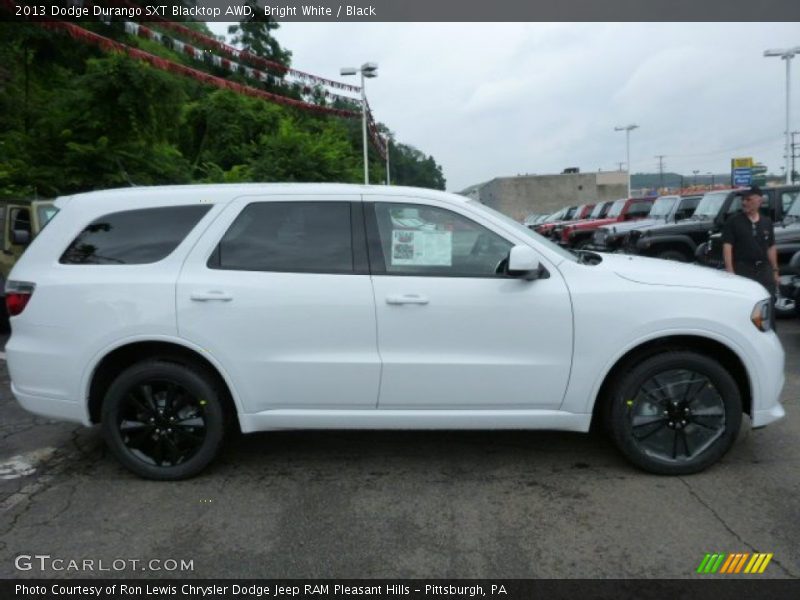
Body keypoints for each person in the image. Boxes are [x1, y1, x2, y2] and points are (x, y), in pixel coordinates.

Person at [721, 186, 779, 299]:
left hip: (764, 270)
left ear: (759, 200)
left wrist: (775, 271)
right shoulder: (733, 221)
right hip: (743, 270)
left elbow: (771, 247)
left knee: (767, 301)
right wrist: (730, 271)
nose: (744, 202)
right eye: (743, 199)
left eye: (748, 199)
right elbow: (727, 247)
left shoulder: (766, 222)